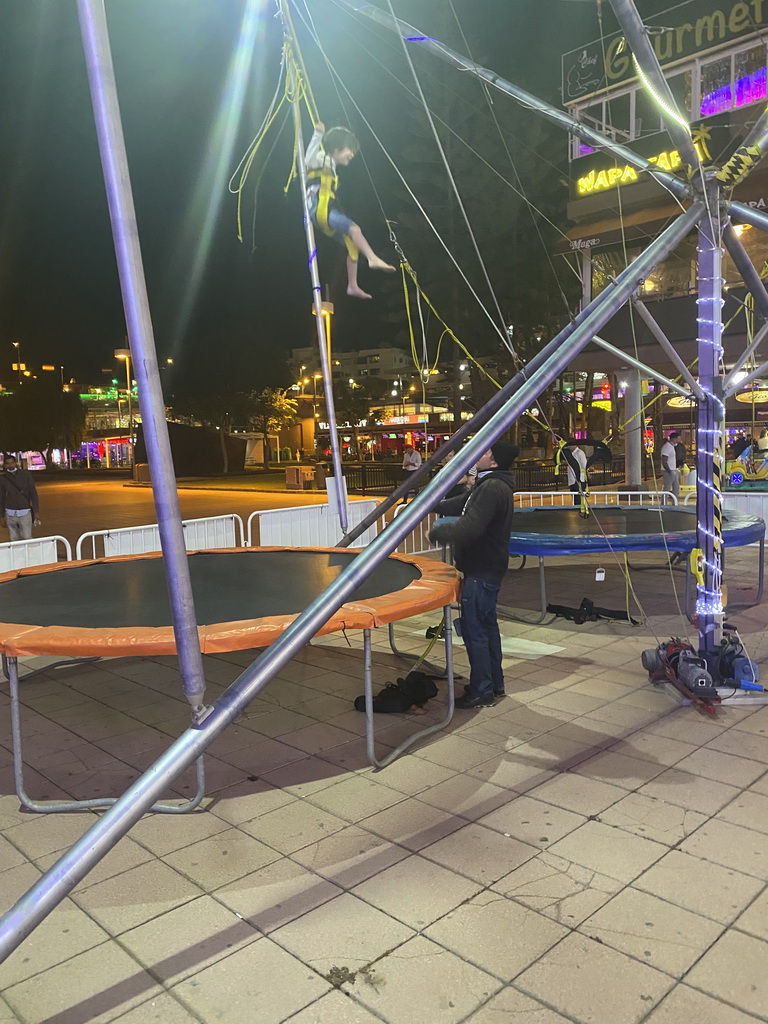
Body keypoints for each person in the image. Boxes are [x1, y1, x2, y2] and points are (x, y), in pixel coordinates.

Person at [429, 441, 518, 710]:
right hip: (486, 568)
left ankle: (482, 690)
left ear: (494, 461)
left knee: (475, 631)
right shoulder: (490, 484)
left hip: (481, 569)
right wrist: (435, 505)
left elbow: (470, 526)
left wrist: (436, 533)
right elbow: (463, 505)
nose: (479, 454)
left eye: (485, 452)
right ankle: (493, 682)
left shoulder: (491, 488)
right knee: (487, 628)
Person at [305, 122, 395, 299]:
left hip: (325, 212)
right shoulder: (322, 158)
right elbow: (308, 159)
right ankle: (372, 258)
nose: (352, 154)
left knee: (351, 244)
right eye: (349, 149)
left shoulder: (330, 164)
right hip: (320, 210)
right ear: (337, 147)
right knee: (354, 229)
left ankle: (352, 285)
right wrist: (318, 134)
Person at [0, 454, 41, 541]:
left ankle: (28, 554)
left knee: (27, 537)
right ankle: (17, 555)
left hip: (24, 511)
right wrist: (2, 515)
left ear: (16, 463)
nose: (10, 465)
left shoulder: (25, 475)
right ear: (5, 465)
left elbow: (33, 493)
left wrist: (36, 511)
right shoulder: (3, 478)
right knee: (13, 539)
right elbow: (2, 498)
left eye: (12, 463)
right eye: (7, 463)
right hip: (10, 512)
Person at [561, 440, 588, 506]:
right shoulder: (570, 454)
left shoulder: (580, 453)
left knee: (578, 498)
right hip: (571, 479)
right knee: (574, 496)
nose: (569, 447)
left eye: (570, 445)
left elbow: (584, 465)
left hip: (579, 479)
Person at [660, 431, 680, 498]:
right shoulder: (667, 447)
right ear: (674, 439)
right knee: (667, 487)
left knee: (676, 487)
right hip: (668, 470)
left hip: (673, 469)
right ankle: (664, 503)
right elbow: (664, 460)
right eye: (678, 439)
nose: (679, 440)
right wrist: (669, 470)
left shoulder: (672, 447)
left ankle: (675, 502)